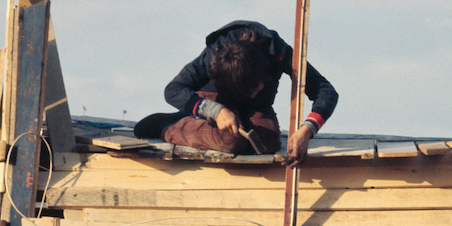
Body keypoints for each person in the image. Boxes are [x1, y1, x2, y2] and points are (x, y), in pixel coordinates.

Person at [133, 20, 338, 166]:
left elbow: (325, 90)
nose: (252, 93)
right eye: (248, 90)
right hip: (217, 101)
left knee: (267, 144)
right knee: (229, 141)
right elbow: (173, 89)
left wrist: (307, 130)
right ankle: (167, 125)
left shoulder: (279, 52)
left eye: (257, 86)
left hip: (258, 107)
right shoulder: (214, 56)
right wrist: (215, 111)